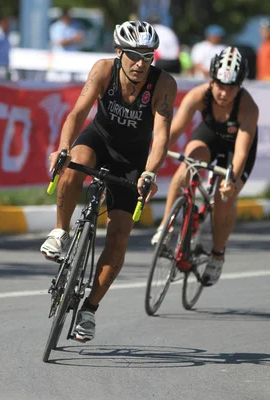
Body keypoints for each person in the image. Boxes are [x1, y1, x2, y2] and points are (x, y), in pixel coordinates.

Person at [40, 20, 177, 341]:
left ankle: (89, 310)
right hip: (99, 139)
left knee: (119, 235)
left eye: (148, 56)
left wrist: (150, 172)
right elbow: (77, 112)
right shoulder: (103, 70)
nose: (141, 63)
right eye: (133, 55)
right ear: (119, 52)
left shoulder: (163, 84)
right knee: (74, 164)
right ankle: (60, 231)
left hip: (133, 160)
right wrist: (61, 147)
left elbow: (161, 137)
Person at [151, 47, 259, 287]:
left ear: (240, 85)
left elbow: (241, 152)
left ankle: (217, 254)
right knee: (186, 168)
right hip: (210, 135)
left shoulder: (247, 107)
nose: (223, 92)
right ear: (211, 79)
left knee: (223, 197)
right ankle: (165, 226)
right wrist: (153, 159)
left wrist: (232, 181)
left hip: (236, 147)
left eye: (231, 87)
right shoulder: (199, 95)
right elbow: (173, 131)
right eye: (219, 84)